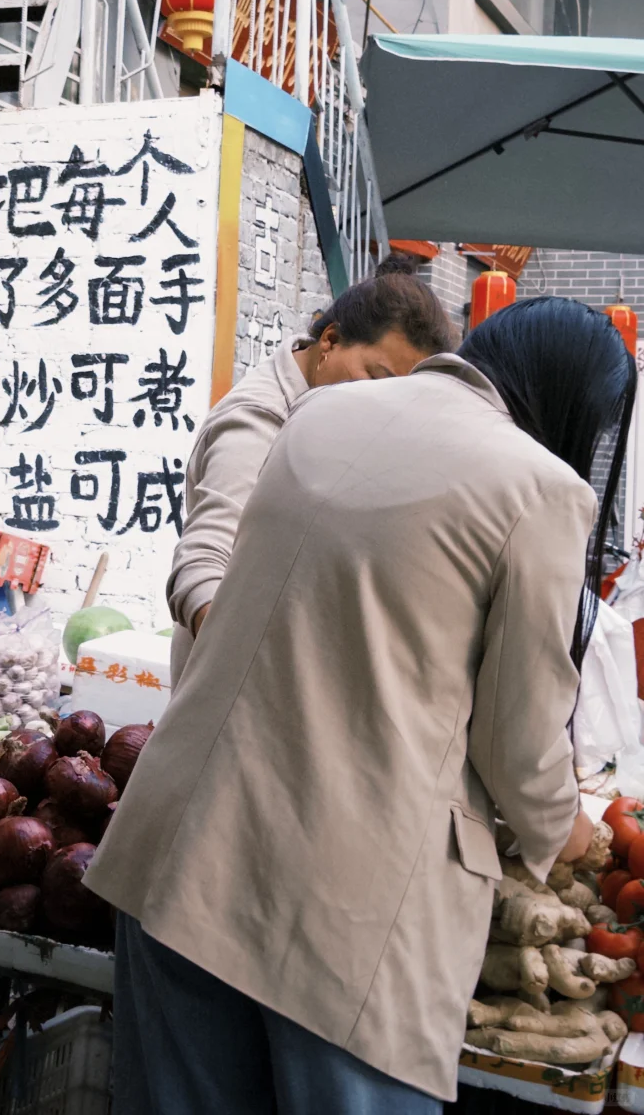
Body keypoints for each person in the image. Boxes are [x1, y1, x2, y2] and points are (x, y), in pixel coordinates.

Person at [86, 296, 635, 1115]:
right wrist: (568, 827)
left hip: (181, 851)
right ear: (575, 403)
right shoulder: (541, 488)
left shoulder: (320, 413)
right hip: (341, 917)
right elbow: (518, 744)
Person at [168, 253, 457, 688]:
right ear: (331, 340)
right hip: (235, 688)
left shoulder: (336, 414)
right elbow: (203, 565)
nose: (384, 404)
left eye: (402, 396)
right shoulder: (257, 420)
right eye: (376, 379)